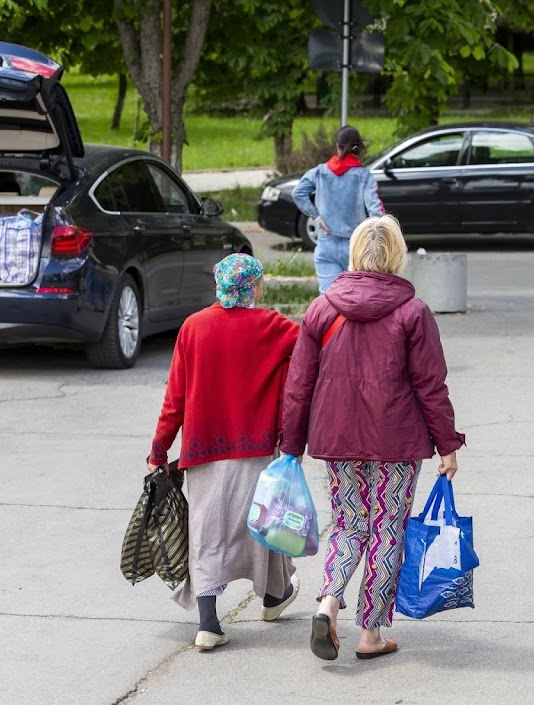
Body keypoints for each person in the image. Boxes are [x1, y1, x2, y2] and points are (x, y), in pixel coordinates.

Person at [280, 215, 465, 661]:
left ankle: (328, 602)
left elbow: (299, 382)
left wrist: (290, 446)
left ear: (355, 253)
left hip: (337, 438)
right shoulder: (412, 313)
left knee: (348, 526)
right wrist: (447, 444)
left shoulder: (323, 309)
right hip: (396, 442)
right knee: (387, 530)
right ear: (397, 256)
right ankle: (371, 634)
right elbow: (430, 383)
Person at [148, 253, 301, 651]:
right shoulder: (274, 326)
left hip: (203, 450)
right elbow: (311, 355)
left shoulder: (194, 327)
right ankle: (272, 595)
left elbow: (175, 396)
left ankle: (208, 623)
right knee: (263, 526)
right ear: (254, 285)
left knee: (207, 532)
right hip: (256, 448)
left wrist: (159, 448)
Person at [292, 125, 385, 294]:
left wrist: (317, 217)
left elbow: (298, 193)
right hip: (356, 246)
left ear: (337, 146)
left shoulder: (320, 172)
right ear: (357, 149)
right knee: (357, 297)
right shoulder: (364, 176)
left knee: (329, 300)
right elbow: (375, 209)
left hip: (327, 243)